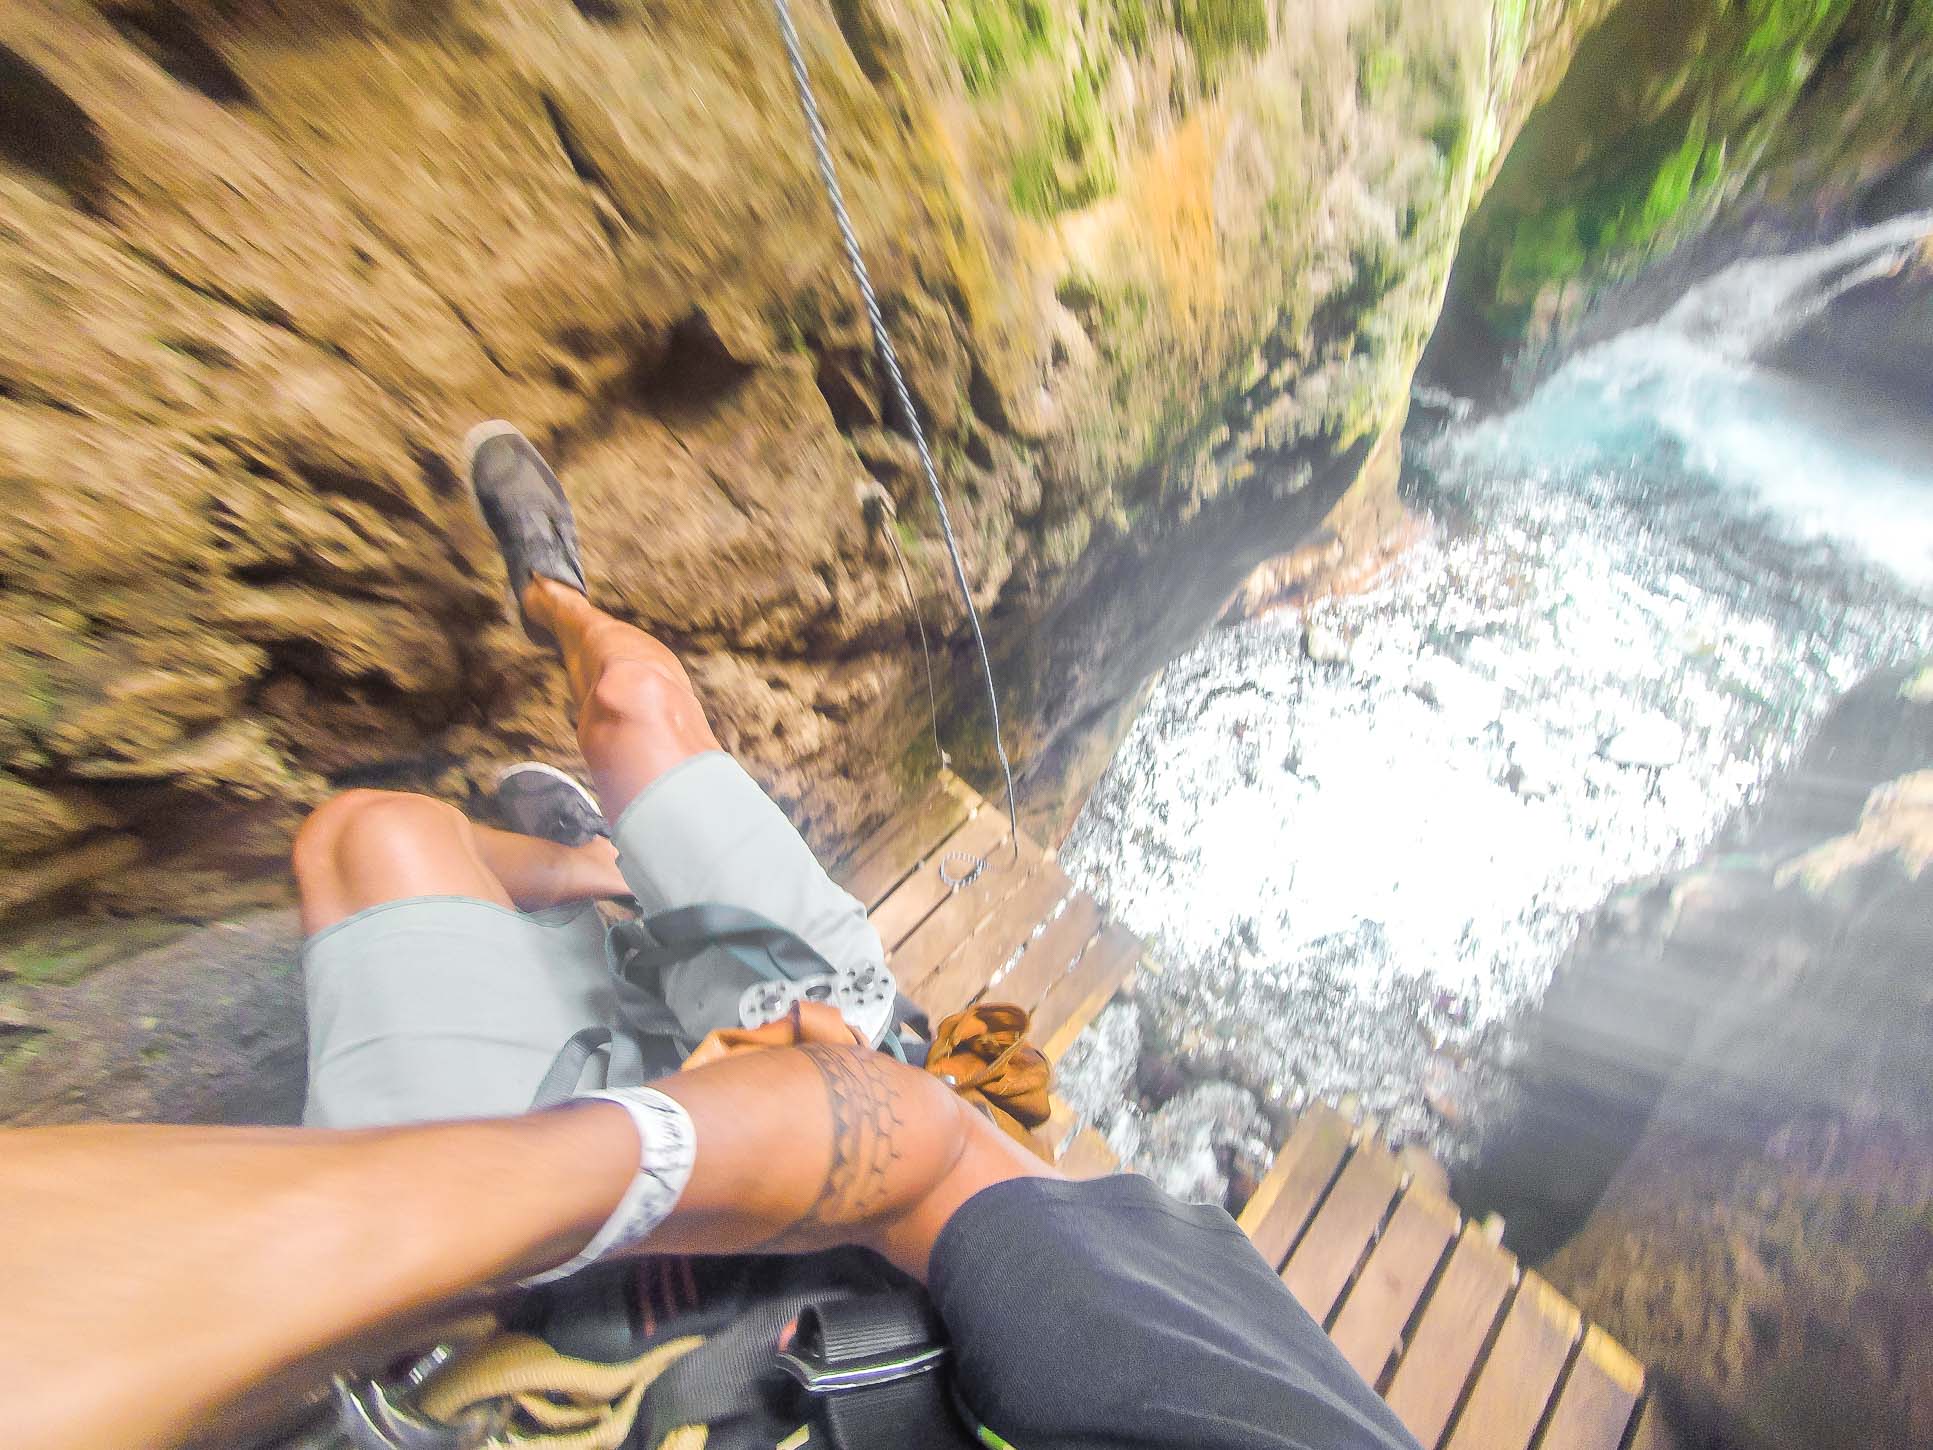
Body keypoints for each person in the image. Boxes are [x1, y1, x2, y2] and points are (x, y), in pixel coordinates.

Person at [0, 426, 1421, 1450]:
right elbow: (922, 1152)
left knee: (366, 836)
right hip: (805, 1094)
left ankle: (571, 876)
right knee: (628, 706)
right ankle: (557, 620)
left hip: (519, 1305)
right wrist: (597, 1158)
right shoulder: (1230, 1422)